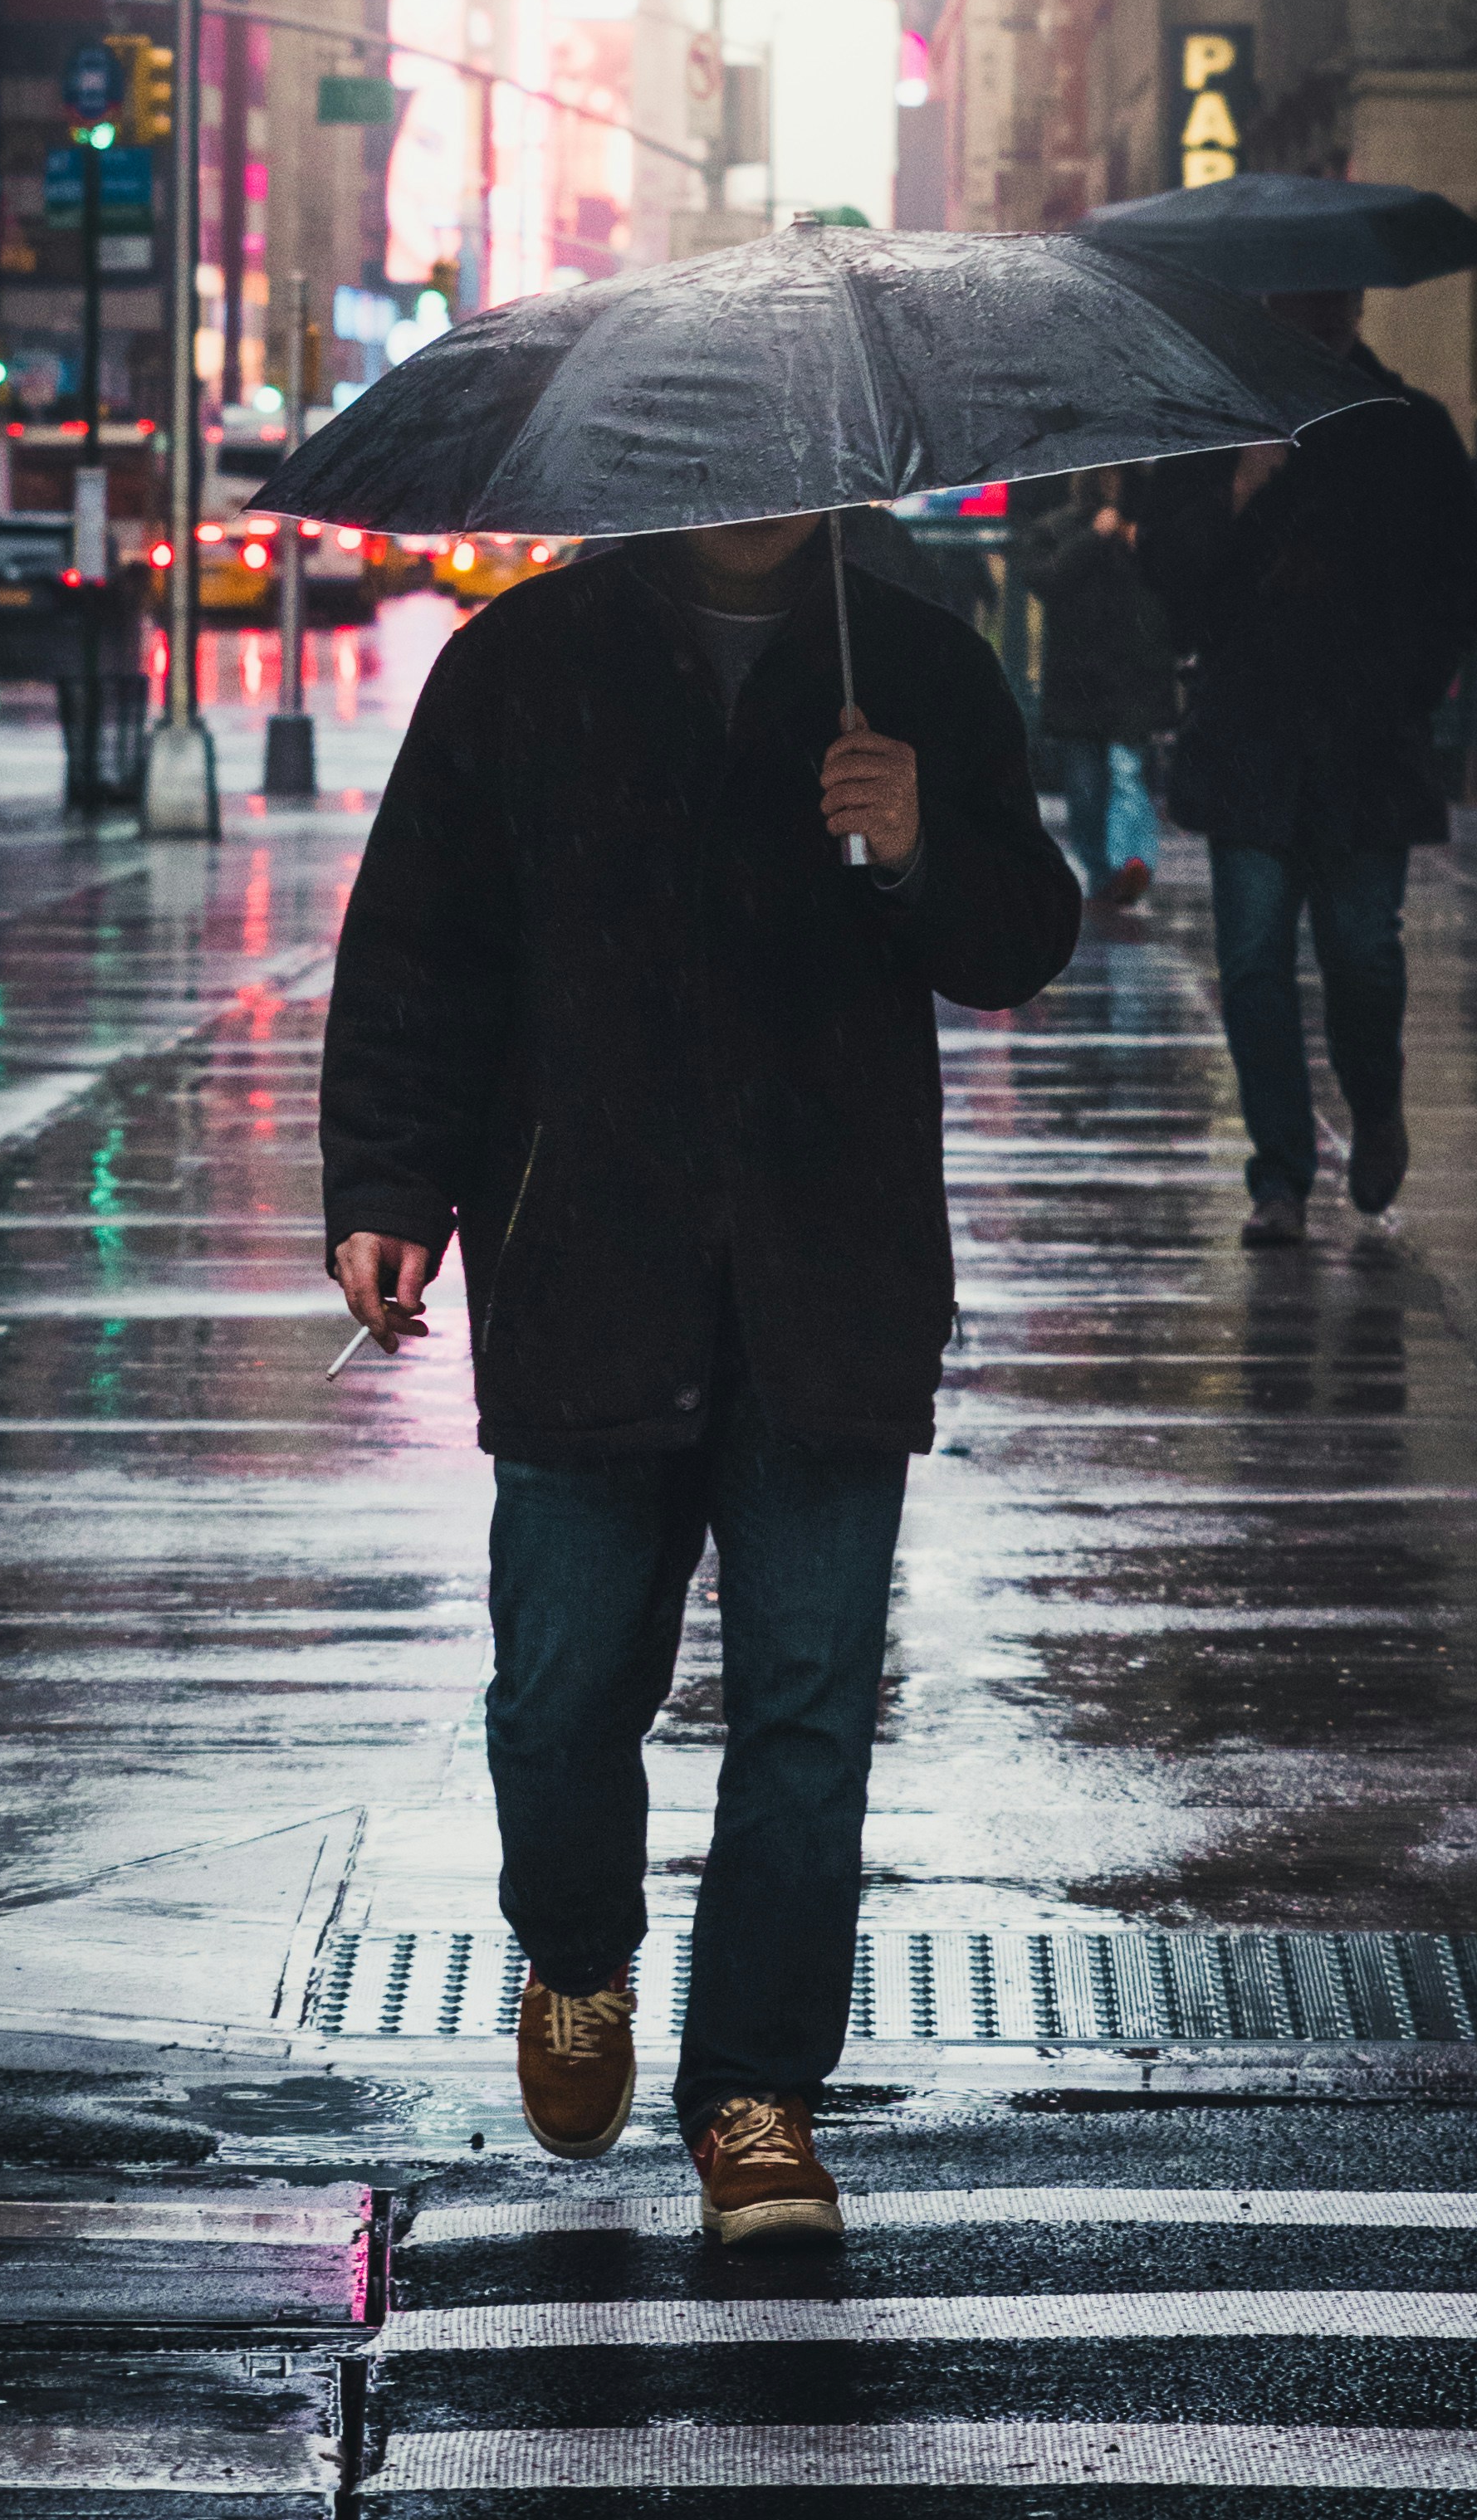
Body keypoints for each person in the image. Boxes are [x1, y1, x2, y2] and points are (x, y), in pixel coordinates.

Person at [324, 510, 1078, 2244]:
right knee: (563, 1686)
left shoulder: (916, 662)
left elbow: (1019, 935)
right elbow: (422, 943)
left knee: (806, 1713)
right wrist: (384, 1186)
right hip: (589, 1262)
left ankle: (756, 2099)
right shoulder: (523, 661)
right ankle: (577, 1948)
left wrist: (913, 845)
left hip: (836, 1273)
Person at [1131, 287, 1477, 1244]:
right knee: (1252, 962)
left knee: (1363, 952)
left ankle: (1376, 1107)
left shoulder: (1409, 427)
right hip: (1252, 737)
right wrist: (1240, 491)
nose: (1315, 322)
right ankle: (1280, 1174)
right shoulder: (1214, 425)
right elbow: (1166, 574)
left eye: (1329, 305)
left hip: (1367, 742)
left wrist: (1407, 686)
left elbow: (1462, 577)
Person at [1012, 470, 1175, 908]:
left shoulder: (1143, 529)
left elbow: (1167, 590)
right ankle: (1103, 872)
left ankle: (1129, 864)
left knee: (1126, 774)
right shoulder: (1056, 526)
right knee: (1085, 789)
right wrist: (1093, 538)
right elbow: (1043, 577)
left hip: (1127, 678)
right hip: (1077, 681)